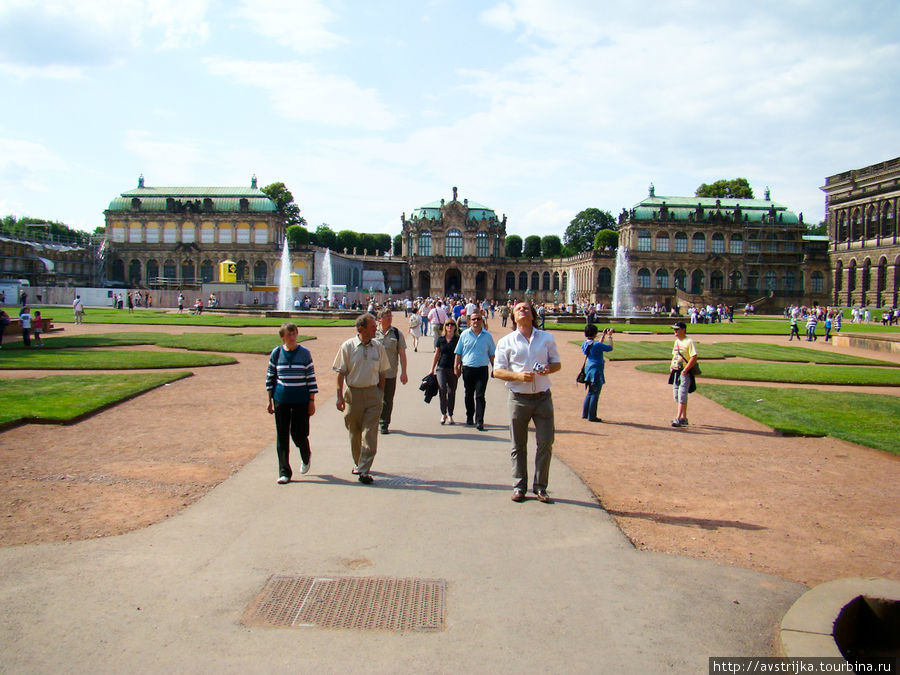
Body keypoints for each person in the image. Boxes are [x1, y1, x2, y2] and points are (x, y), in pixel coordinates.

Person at [493, 301, 562, 503]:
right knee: (518, 445)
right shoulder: (506, 341)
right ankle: (519, 486)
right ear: (513, 317)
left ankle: (541, 487)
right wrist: (517, 376)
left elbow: (557, 363)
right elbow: (497, 371)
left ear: (533, 314)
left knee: (546, 443)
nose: (522, 310)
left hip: (542, 397)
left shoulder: (547, 338)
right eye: (518, 309)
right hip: (518, 398)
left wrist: (547, 369)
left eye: (526, 308)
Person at [333, 313, 390, 485]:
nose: (376, 329)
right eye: (373, 327)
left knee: (370, 433)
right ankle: (359, 462)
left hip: (373, 394)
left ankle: (364, 469)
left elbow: (382, 372)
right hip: (353, 394)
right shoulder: (348, 346)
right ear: (361, 329)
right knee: (354, 431)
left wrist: (380, 393)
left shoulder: (378, 347)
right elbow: (340, 373)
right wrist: (339, 397)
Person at [266, 323, 317, 484]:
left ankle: (305, 454)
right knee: (282, 436)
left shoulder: (304, 353)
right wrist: (269, 400)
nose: (292, 337)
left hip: (301, 400)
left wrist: (311, 401)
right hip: (281, 399)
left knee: (298, 433)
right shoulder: (276, 353)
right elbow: (270, 377)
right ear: (283, 337)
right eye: (289, 334)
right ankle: (284, 471)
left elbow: (311, 378)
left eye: (294, 333)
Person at [454, 310, 495, 430]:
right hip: (468, 368)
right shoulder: (464, 334)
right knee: (468, 394)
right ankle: (469, 416)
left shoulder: (488, 336)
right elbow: (458, 352)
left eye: (478, 319)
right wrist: (456, 366)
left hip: (482, 369)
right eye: (474, 319)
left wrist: (495, 367)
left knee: (480, 395)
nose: (476, 321)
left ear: (482, 321)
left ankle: (479, 420)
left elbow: (492, 354)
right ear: (469, 321)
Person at [375, 308, 408, 434]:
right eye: (386, 316)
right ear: (379, 319)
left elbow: (402, 354)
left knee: (387, 399)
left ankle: (384, 423)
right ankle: (373, 420)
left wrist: (404, 372)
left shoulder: (396, 333)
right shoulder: (373, 332)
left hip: (389, 372)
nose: (389, 318)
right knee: (373, 398)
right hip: (374, 372)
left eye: (390, 315)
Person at [581, 325, 613, 422]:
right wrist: (610, 336)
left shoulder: (585, 343)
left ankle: (585, 413)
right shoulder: (596, 345)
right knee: (595, 392)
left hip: (588, 368)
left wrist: (602, 336)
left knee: (590, 392)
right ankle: (592, 416)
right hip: (596, 369)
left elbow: (596, 346)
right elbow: (610, 348)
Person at [431, 319, 460, 424]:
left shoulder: (458, 339)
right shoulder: (441, 339)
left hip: (453, 368)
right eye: (447, 324)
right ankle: (443, 413)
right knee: (442, 389)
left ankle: (450, 414)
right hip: (441, 368)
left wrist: (459, 367)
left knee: (452, 392)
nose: (450, 326)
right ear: (445, 327)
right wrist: (432, 368)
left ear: (455, 327)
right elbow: (437, 354)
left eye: (452, 324)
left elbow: (460, 354)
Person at [669, 321, 698, 428]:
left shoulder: (689, 341)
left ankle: (678, 418)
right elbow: (675, 355)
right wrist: (671, 366)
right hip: (676, 371)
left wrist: (686, 369)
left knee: (682, 395)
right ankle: (684, 418)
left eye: (677, 329)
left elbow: (694, 357)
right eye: (674, 329)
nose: (675, 331)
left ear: (683, 330)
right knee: (677, 395)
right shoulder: (677, 342)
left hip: (685, 372)